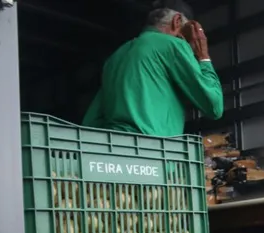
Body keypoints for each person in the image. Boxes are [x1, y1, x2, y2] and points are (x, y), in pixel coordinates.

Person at [83, 0, 224, 137]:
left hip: (116, 150)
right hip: (152, 151)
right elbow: (214, 107)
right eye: (186, 36)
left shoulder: (115, 57)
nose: (186, 42)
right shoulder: (173, 44)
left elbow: (92, 120)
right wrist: (203, 56)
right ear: (177, 20)